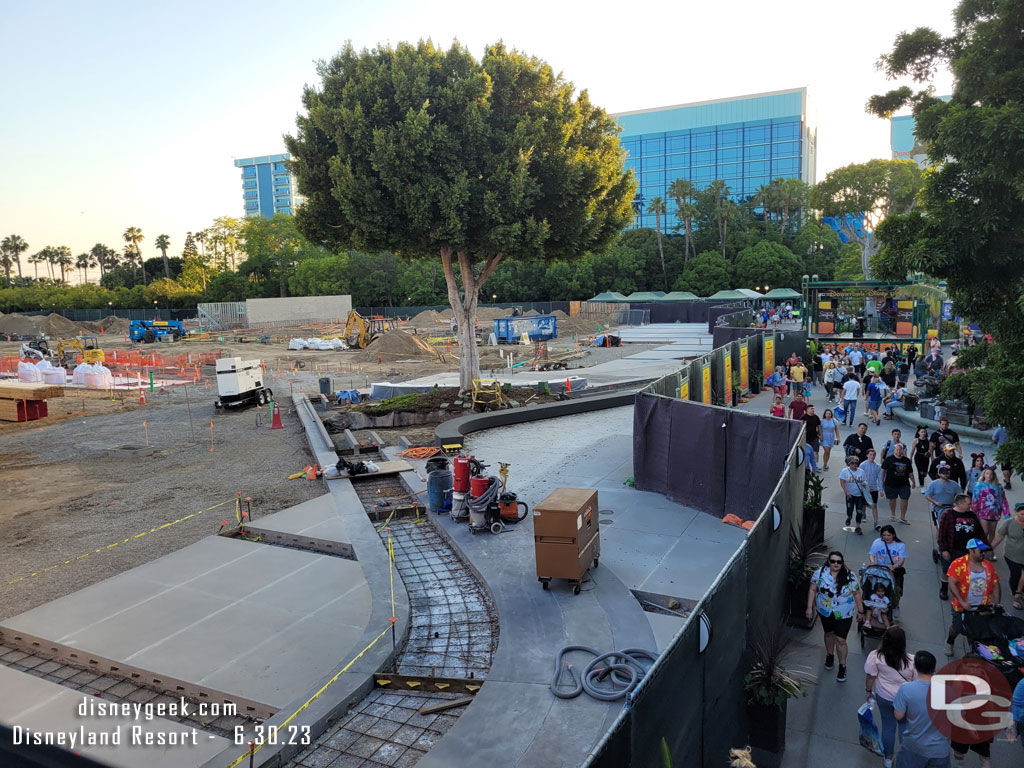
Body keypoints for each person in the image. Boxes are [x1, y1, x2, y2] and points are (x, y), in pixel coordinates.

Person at [806, 550, 864, 683]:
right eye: (833, 561)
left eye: (839, 561)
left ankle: (842, 666)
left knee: (841, 639)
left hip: (844, 613)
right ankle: (830, 655)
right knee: (828, 633)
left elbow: (856, 594)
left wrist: (860, 611)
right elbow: (812, 589)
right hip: (825, 611)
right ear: (829, 562)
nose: (836, 564)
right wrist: (809, 607)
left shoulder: (850, 576)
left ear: (842, 563)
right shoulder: (820, 573)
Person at [893, 651, 951, 768]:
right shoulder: (948, 691)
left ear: (915, 667)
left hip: (914, 747)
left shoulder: (906, 689)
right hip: (940, 750)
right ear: (935, 668)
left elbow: (898, 715)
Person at [945, 538, 1000, 656]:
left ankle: (974, 651)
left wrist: (996, 601)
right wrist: (962, 602)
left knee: (977, 630)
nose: (984, 554)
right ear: (971, 550)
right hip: (961, 607)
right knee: (957, 627)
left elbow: (995, 583)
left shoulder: (988, 566)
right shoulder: (958, 564)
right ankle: (950, 641)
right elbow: (952, 584)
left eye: (984, 551)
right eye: (981, 551)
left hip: (982, 607)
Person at [937, 494, 989, 601]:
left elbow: (979, 532)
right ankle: (944, 588)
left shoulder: (972, 515)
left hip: (968, 551)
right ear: (960, 504)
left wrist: (986, 547)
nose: (971, 505)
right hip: (952, 550)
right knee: (947, 571)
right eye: (968, 503)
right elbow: (941, 534)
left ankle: (961, 591)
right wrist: (944, 550)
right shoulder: (948, 515)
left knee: (964, 572)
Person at [990, 503, 1024, 610]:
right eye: (1022, 514)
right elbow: (998, 538)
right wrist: (989, 549)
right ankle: (1016, 596)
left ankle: (1020, 592)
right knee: (1016, 575)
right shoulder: (1008, 523)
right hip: (1012, 556)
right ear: (1016, 512)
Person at [869, 524, 908, 603]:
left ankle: (895, 605)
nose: (886, 537)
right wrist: (872, 562)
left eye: (888, 535)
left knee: (896, 590)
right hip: (880, 571)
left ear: (893, 535)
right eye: (884, 535)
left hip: (893, 572)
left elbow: (901, 560)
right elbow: (871, 554)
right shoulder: (877, 542)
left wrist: (895, 566)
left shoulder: (900, 545)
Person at [971, 466, 1009, 544]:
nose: (989, 475)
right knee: (985, 531)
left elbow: (1003, 500)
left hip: (995, 513)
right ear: (984, 474)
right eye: (987, 473)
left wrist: (1007, 514)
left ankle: (989, 548)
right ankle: (981, 548)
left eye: (991, 474)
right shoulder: (979, 485)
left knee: (992, 532)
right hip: (983, 512)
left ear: (994, 475)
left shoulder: (998, 486)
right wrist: (974, 512)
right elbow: (975, 499)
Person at [881, 443, 916, 525]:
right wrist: (882, 481)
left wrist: (913, 481)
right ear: (894, 450)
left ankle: (903, 517)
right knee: (892, 500)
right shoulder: (888, 459)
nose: (898, 451)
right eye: (897, 449)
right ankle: (893, 514)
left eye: (900, 449)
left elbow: (910, 472)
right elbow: (883, 470)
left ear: (903, 450)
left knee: (905, 499)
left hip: (904, 484)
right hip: (891, 484)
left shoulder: (906, 460)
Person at [839, 455, 869, 535]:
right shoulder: (845, 471)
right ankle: (849, 517)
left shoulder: (861, 471)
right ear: (849, 463)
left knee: (859, 511)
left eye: (856, 463)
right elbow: (842, 482)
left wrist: (864, 483)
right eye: (852, 463)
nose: (854, 465)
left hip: (858, 495)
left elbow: (865, 480)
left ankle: (858, 526)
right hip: (850, 495)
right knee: (850, 509)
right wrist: (846, 492)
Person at [862, 449, 884, 529]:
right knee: (864, 503)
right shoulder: (863, 465)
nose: (872, 456)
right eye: (870, 454)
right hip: (865, 488)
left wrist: (881, 489)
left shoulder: (878, 466)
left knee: (874, 505)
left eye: (874, 455)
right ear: (867, 455)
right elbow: (861, 476)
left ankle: (876, 522)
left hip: (874, 488)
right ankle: (863, 514)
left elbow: (880, 479)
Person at [992, 424, 1013, 490]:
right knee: (1010, 467)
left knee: (1004, 468)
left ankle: (1008, 483)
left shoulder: (1000, 429)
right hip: (1014, 451)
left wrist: (997, 442)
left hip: (1003, 451)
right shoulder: (1016, 430)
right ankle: (1007, 479)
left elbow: (994, 438)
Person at [911, 426, 931, 490]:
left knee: (925, 471)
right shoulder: (916, 440)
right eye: (922, 432)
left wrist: (929, 453)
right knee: (920, 471)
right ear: (919, 433)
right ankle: (921, 485)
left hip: (926, 457)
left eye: (924, 432)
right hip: (918, 457)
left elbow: (931, 448)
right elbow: (913, 450)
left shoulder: (928, 439)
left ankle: (922, 479)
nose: (923, 433)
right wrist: (910, 458)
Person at [802, 403, 822, 468]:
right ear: (807, 410)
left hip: (814, 437)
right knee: (806, 452)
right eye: (811, 409)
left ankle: (815, 466)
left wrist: (820, 434)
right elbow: (800, 427)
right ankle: (806, 466)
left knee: (815, 452)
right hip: (806, 438)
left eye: (813, 409)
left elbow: (819, 426)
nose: (813, 410)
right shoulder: (803, 417)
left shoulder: (816, 417)